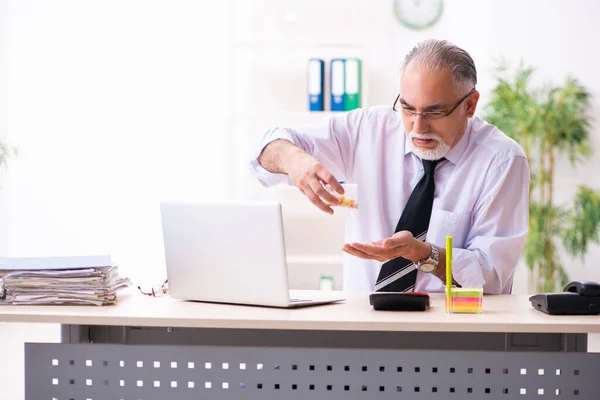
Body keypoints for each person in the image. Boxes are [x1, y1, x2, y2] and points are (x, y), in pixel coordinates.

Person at [248, 39, 530, 294]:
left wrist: (422, 253)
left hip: (452, 329)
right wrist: (295, 161)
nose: (417, 127)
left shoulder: (501, 161)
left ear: (470, 105)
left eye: (434, 112)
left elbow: (491, 276)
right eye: (407, 108)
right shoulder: (367, 130)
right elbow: (262, 151)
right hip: (363, 322)